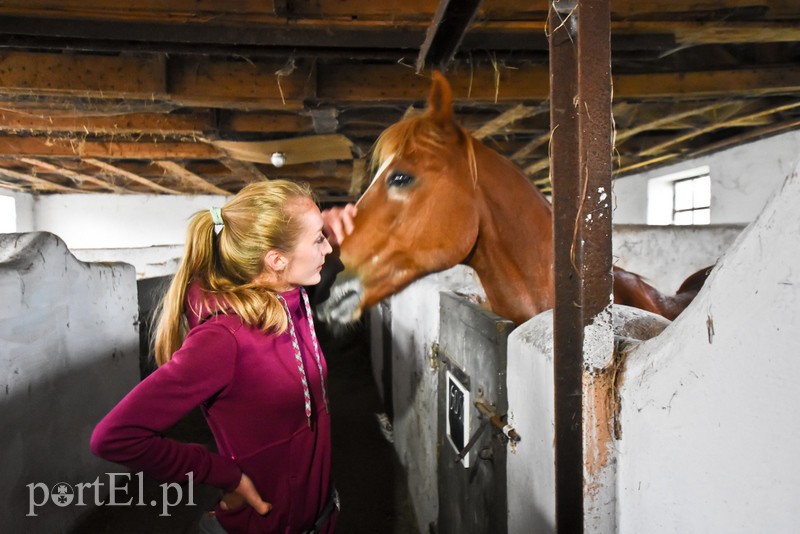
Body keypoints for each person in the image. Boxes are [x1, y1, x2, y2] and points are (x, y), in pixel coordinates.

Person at [91, 179, 356, 533]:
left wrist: (334, 229)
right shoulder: (222, 340)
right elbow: (114, 436)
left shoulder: (293, 300)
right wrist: (222, 474)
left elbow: (316, 274)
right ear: (276, 260)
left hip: (319, 519)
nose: (327, 248)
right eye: (318, 239)